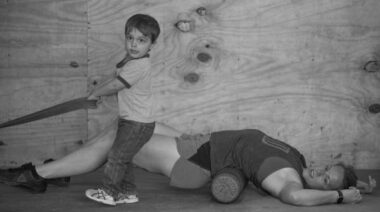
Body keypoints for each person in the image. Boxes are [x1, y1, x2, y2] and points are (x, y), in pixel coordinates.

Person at [0, 122, 376, 206]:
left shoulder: (288, 176)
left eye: (325, 181)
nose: (321, 174)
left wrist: (339, 196)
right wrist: (357, 186)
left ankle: (38, 175)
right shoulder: (300, 158)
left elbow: (296, 197)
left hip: (193, 161)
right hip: (195, 142)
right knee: (119, 128)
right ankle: (58, 171)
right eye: (329, 170)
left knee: (116, 141)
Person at [83, 13, 161, 205]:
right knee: (123, 157)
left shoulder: (139, 65)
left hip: (137, 123)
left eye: (141, 40)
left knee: (116, 157)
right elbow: (117, 80)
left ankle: (108, 192)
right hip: (134, 120)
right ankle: (128, 192)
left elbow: (116, 85)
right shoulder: (131, 61)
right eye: (130, 38)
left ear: (152, 44)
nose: (134, 45)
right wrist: (101, 94)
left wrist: (96, 93)